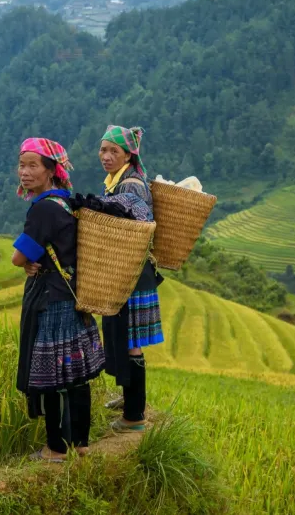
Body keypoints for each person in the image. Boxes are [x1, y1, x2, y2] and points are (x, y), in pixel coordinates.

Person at [12, 137, 106, 462]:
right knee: (76, 377)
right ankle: (80, 444)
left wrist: (24, 263)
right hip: (73, 299)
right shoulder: (65, 203)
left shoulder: (42, 209)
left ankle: (54, 449)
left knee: (50, 378)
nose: (24, 172)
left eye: (32, 165)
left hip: (52, 304)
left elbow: (18, 256)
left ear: (51, 171)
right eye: (22, 165)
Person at [98, 124, 164, 432]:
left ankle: (134, 416)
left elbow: (139, 230)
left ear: (128, 155)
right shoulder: (116, 182)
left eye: (114, 151)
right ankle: (129, 398)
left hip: (134, 275)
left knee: (132, 343)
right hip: (126, 273)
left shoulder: (131, 186)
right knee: (123, 337)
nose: (106, 156)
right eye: (103, 149)